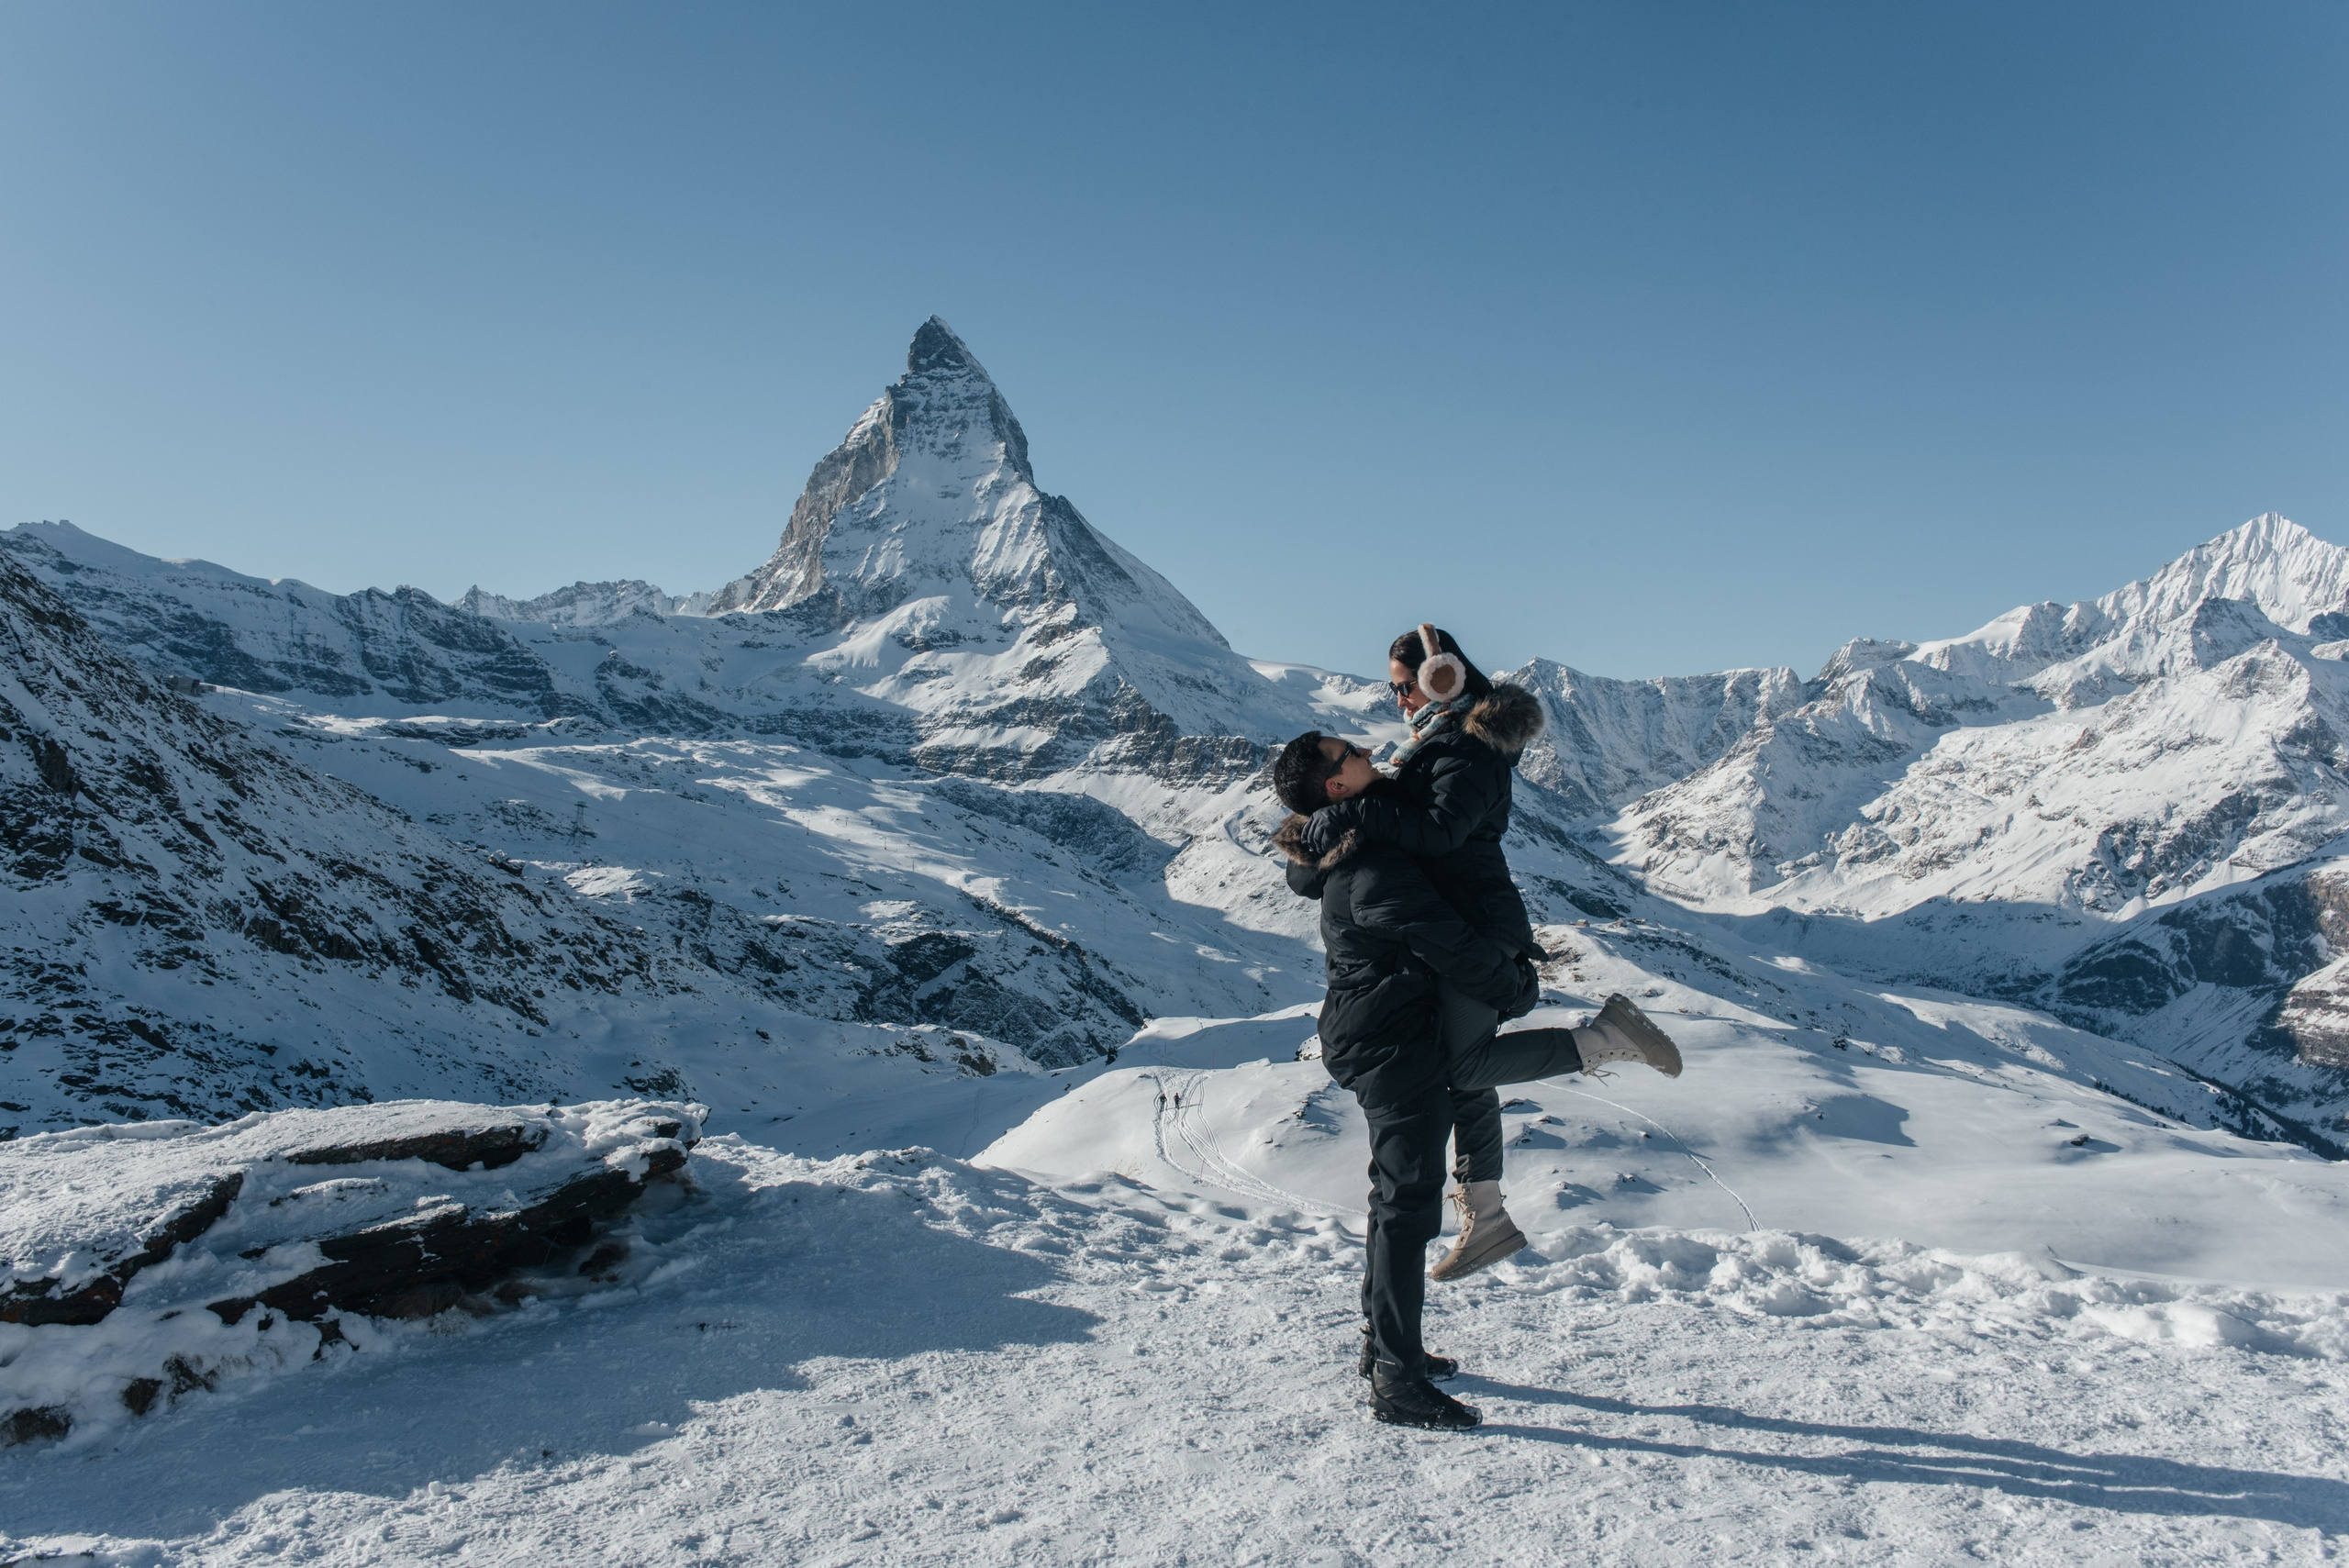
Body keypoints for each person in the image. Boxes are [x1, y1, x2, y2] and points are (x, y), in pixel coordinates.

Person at [1294, 627, 1683, 1282]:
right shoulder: (1441, 742)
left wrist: (1360, 815)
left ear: (1441, 675)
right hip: (1460, 924)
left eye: (1400, 684)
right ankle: (1488, 1213)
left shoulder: (1470, 748)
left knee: (1463, 1062)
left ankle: (1603, 1039)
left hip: (1477, 926)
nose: (1395, 699)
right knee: (1460, 1067)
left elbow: (1441, 834)